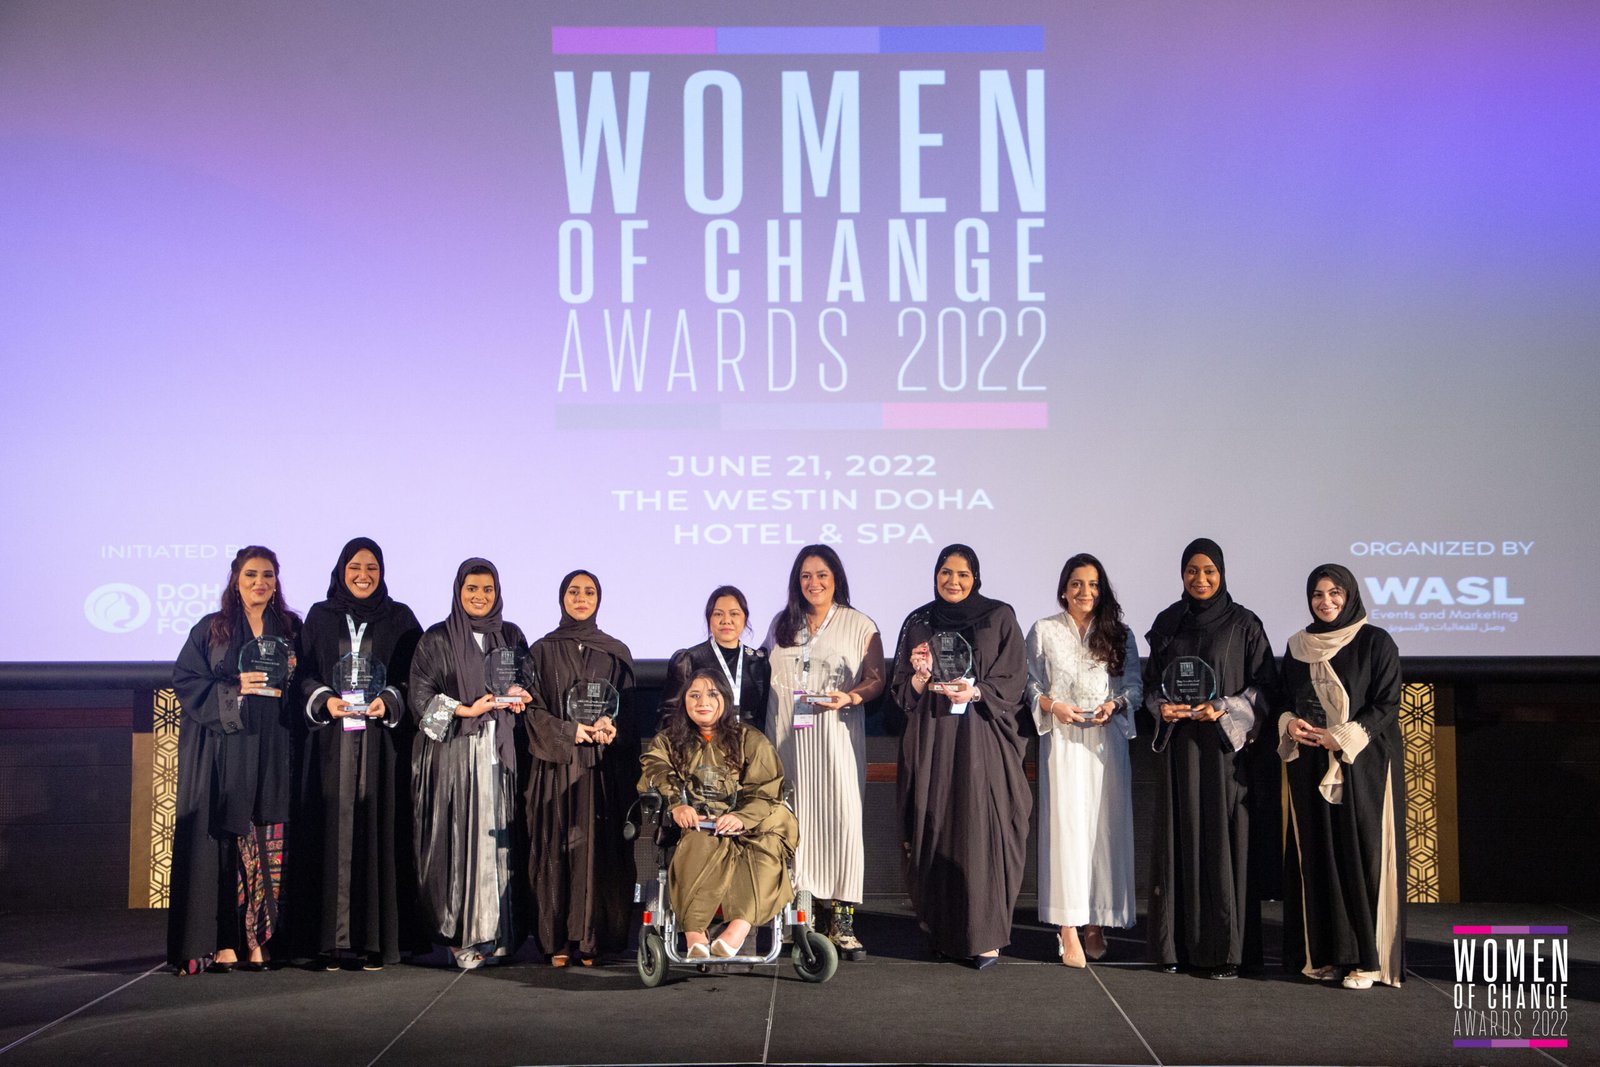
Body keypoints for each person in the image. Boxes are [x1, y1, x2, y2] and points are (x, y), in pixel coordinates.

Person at [1143, 537, 1279, 980]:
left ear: (1222, 573)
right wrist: (1160, 708)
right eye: (1191, 571)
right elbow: (1151, 685)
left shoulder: (1244, 624)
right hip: (1180, 751)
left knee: (1224, 843)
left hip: (1224, 755)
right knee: (1178, 840)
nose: (1199, 579)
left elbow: (1265, 689)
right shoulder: (1168, 622)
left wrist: (1224, 708)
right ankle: (1175, 947)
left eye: (1208, 571)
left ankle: (1227, 951)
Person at [892, 544, 1030, 969]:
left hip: (981, 740)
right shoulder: (918, 621)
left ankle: (984, 935)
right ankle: (942, 930)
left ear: (976, 578)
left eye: (963, 574)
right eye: (946, 573)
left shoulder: (998, 616)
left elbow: (1013, 678)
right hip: (933, 740)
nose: (953, 581)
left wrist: (976, 692)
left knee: (981, 828)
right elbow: (902, 693)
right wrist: (919, 676)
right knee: (933, 825)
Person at [290, 537, 422, 970]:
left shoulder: (401, 618)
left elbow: (415, 677)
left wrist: (390, 698)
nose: (363, 576)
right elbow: (303, 674)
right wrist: (325, 699)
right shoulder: (320, 616)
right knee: (329, 831)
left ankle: (373, 942)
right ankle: (328, 942)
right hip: (330, 744)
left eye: (372, 568)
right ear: (341, 571)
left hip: (382, 745)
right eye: (355, 568)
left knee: (378, 831)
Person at [167, 546, 300, 974]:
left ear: (276, 581)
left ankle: (261, 940)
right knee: (229, 840)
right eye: (250, 575)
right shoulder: (213, 629)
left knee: (269, 837)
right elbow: (186, 679)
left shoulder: (291, 629)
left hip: (276, 744)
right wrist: (234, 687)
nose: (259, 582)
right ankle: (226, 941)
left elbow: (305, 682)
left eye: (267, 575)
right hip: (230, 749)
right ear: (236, 580)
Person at [1278, 564, 1406, 989]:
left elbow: (1386, 703)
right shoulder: (1298, 646)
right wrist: (1289, 723)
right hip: (1311, 763)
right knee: (1320, 858)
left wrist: (1344, 736)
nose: (1326, 601)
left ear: (1349, 596)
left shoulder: (1375, 641)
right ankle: (1328, 955)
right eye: (1318, 594)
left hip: (1362, 765)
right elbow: (1284, 700)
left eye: (1335, 593)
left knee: (1360, 856)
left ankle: (1367, 960)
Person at [763, 544, 884, 960]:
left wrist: (850, 696)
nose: (813, 583)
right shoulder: (781, 624)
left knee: (842, 824)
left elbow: (877, 680)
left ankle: (842, 921)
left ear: (836, 580)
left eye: (821, 575)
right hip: (787, 741)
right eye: (805, 576)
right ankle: (801, 916)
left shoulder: (859, 624)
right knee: (795, 825)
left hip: (836, 741)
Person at [409, 558, 530, 969]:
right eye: (472, 589)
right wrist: (465, 709)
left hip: (500, 751)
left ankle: (499, 935)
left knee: (498, 840)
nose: (480, 597)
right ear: (458, 591)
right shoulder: (436, 639)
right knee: (460, 841)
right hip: (454, 756)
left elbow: (524, 682)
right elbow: (420, 700)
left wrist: (521, 695)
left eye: (487, 589)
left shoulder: (511, 635)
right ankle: (462, 937)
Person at [1026, 552, 1141, 968]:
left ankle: (1096, 920)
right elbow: (1030, 685)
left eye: (1092, 584)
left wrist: (1116, 705)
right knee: (1066, 830)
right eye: (1076, 584)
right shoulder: (1043, 630)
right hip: (1062, 739)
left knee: (1102, 830)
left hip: (1105, 742)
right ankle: (1067, 926)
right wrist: (1053, 706)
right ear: (1064, 589)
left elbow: (1134, 688)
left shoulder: (1119, 634)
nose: (1084, 592)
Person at [638, 668, 798, 958]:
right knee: (698, 843)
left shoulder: (750, 739)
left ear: (725, 698)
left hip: (749, 824)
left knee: (767, 847)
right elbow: (656, 770)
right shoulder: (668, 741)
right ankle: (695, 935)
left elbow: (766, 789)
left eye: (712, 694)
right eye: (694, 695)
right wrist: (677, 804)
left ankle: (736, 931)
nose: (703, 702)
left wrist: (741, 817)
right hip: (699, 823)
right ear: (684, 701)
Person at [524, 569, 637, 966]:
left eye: (589, 592)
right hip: (556, 768)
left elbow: (628, 711)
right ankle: (555, 941)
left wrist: (611, 726)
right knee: (554, 849)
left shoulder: (615, 652)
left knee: (597, 852)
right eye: (574, 591)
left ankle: (591, 940)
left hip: (600, 770)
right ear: (562, 598)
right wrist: (569, 731)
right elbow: (532, 711)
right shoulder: (541, 650)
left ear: (598, 599)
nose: (581, 598)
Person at [663, 584, 772, 733]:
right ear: (709, 618)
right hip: (702, 744)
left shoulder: (758, 662)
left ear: (745, 618)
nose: (726, 620)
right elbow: (670, 716)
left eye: (734, 614)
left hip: (750, 744)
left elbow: (765, 716)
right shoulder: (689, 660)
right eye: (718, 614)